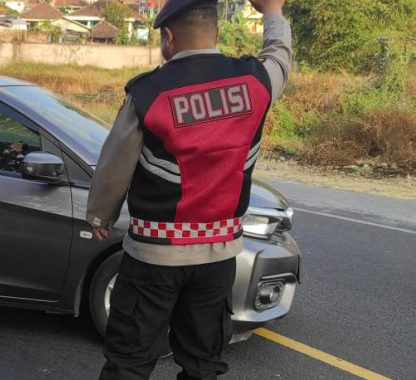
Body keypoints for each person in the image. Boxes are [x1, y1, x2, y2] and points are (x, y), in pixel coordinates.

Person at [86, 0, 292, 379]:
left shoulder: (149, 92)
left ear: (168, 37)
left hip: (153, 257)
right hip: (217, 259)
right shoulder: (254, 83)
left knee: (130, 361)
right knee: (202, 363)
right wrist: (273, 12)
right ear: (215, 30)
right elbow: (280, 58)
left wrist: (101, 213)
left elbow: (116, 164)